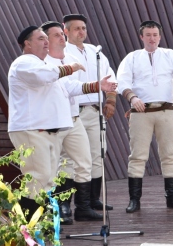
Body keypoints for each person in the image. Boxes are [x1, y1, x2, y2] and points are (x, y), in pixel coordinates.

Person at [43, 21, 116, 223]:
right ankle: (61, 207)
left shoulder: (74, 57)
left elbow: (79, 83)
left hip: (75, 117)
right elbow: (67, 86)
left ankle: (83, 207)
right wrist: (96, 85)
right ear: (47, 40)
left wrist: (108, 94)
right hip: (56, 120)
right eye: (57, 34)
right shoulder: (45, 60)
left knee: (86, 161)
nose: (61, 38)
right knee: (63, 164)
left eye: (60, 34)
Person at [116, 20, 173, 212]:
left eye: (155, 34)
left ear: (160, 36)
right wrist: (132, 98)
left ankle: (172, 198)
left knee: (169, 153)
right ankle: (134, 200)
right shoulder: (132, 57)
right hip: (141, 111)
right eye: (148, 35)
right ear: (141, 37)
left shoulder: (170, 54)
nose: (152, 38)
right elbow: (122, 81)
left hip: (166, 110)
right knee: (138, 155)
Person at [7, 26, 80, 212]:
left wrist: (97, 86)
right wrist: (69, 68)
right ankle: (27, 229)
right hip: (31, 129)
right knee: (38, 176)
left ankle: (39, 226)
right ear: (27, 43)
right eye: (40, 38)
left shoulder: (46, 64)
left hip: (48, 129)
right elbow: (42, 77)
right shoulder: (23, 62)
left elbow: (66, 89)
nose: (46, 41)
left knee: (48, 179)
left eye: (46, 38)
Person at [63, 13, 119, 212]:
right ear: (66, 30)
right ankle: (65, 205)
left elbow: (110, 77)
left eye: (83, 28)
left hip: (95, 110)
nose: (81, 32)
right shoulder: (62, 52)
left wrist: (111, 101)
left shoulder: (95, 51)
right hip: (73, 111)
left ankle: (92, 200)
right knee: (70, 158)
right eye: (76, 28)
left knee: (97, 154)